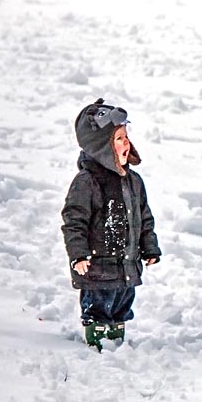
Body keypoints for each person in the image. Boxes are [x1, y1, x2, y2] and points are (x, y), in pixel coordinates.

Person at [61, 98, 161, 351]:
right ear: (101, 148)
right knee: (99, 304)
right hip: (97, 266)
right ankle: (96, 341)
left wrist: (149, 248)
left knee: (122, 303)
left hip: (127, 263)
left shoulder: (134, 181)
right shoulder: (88, 181)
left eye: (126, 136)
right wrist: (79, 254)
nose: (126, 143)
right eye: (118, 139)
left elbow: (144, 217)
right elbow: (74, 221)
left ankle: (117, 341)